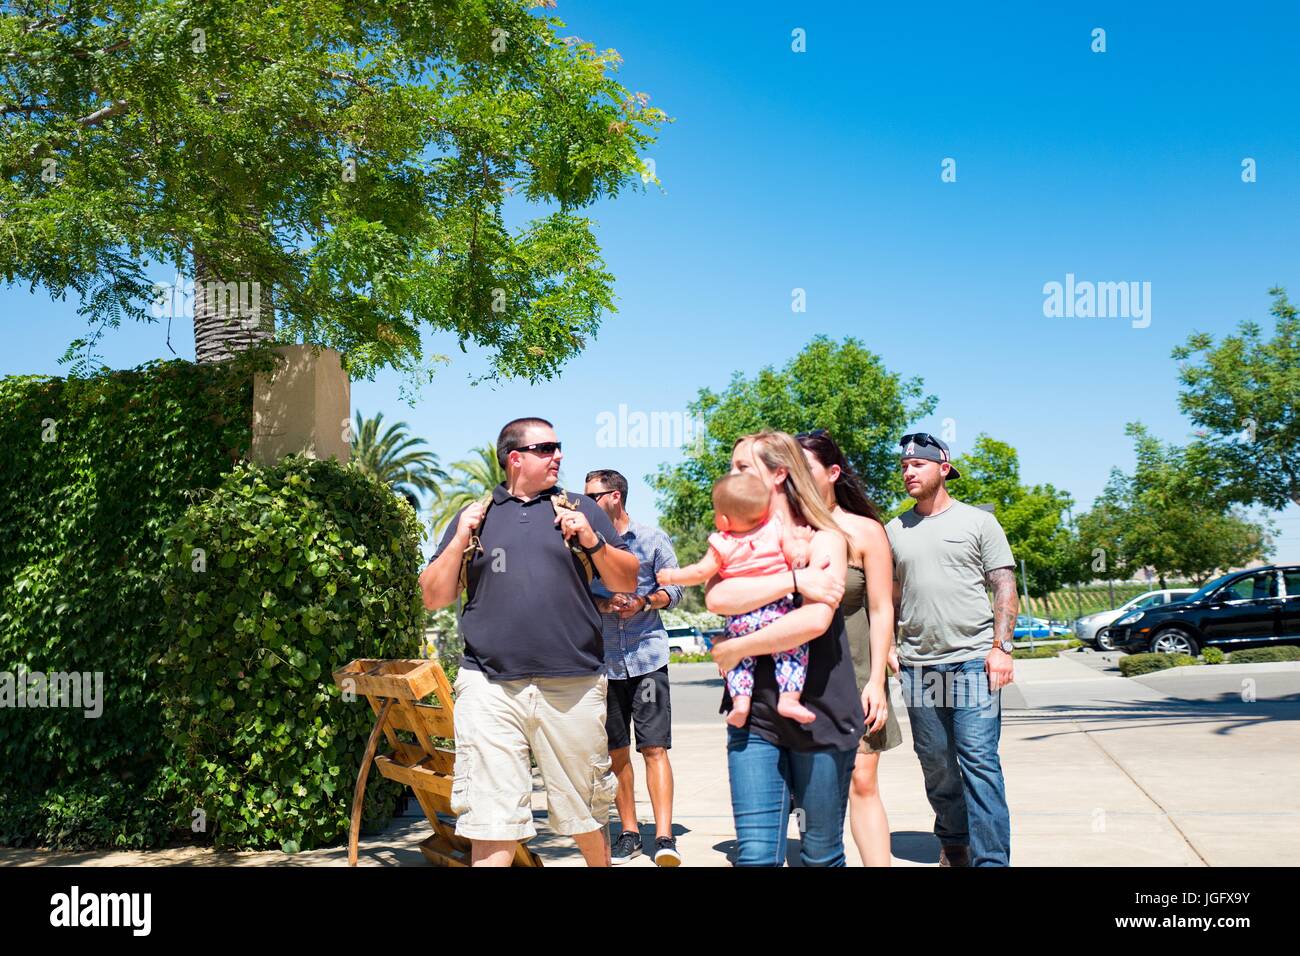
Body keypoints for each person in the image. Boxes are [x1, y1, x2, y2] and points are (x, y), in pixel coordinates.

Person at [418, 417, 640, 867]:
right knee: (490, 817)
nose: (558, 455)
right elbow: (434, 596)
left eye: (559, 446)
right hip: (489, 687)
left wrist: (592, 539)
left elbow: (627, 579)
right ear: (514, 458)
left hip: (572, 686)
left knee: (584, 813)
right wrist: (461, 535)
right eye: (546, 448)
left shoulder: (580, 508)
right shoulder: (477, 516)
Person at [704, 430, 864, 867]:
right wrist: (793, 580)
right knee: (756, 857)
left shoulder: (824, 537)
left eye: (742, 467)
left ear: (778, 474)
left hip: (821, 715)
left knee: (820, 856)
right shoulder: (735, 538)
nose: (731, 475)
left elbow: (813, 621)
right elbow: (717, 598)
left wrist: (737, 647)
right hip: (753, 713)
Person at [887, 431, 1018, 867]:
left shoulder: (979, 522)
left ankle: (992, 861)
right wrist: (888, 643)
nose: (908, 472)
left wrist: (1002, 647)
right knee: (936, 762)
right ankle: (955, 840)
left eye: (918, 465)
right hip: (917, 664)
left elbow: (1003, 585)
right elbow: (888, 594)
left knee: (979, 761)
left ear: (944, 469)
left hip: (972, 661)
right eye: (904, 466)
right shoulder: (894, 530)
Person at [797, 429, 902, 867]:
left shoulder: (864, 531)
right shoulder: (783, 528)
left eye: (805, 469)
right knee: (808, 787)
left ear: (833, 472)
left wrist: (877, 681)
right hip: (795, 676)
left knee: (862, 778)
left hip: (856, 669)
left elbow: (881, 609)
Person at [583, 468, 685, 867]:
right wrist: (604, 605)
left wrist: (644, 602)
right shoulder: (584, 549)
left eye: (594, 496)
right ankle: (628, 832)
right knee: (616, 751)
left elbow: (675, 590)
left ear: (616, 496)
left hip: (648, 659)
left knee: (654, 747)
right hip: (604, 664)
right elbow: (575, 597)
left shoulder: (652, 538)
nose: (586, 504)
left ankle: (664, 836)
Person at [659, 473, 815, 726]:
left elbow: (700, 572)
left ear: (723, 519)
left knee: (740, 660)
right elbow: (795, 556)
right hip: (777, 612)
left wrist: (671, 575)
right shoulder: (774, 529)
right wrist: (804, 546)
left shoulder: (721, 542)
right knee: (792, 652)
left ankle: (741, 701)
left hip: (741, 617)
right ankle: (789, 698)